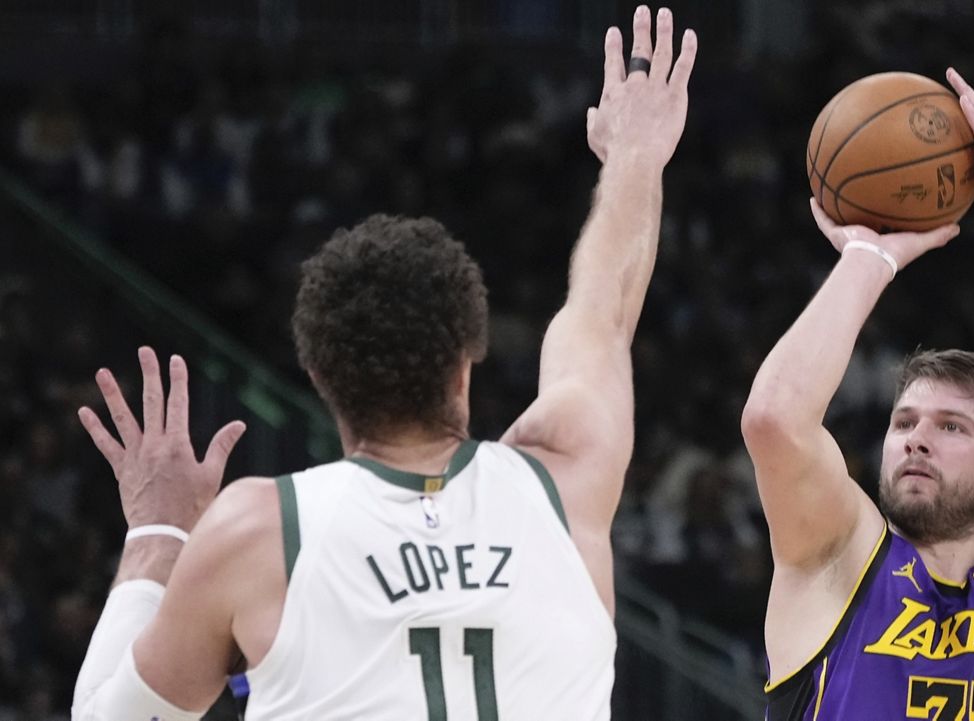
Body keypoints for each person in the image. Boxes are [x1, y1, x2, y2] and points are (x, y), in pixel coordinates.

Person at [69, 6, 697, 719]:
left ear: (319, 376)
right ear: (466, 360)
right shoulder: (565, 481)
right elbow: (601, 310)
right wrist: (635, 157)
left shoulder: (258, 531)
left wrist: (157, 531)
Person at [741, 68, 974, 719]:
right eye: (904, 422)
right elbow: (775, 420)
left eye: (951, 426)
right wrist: (868, 259)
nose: (916, 438)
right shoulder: (840, 557)